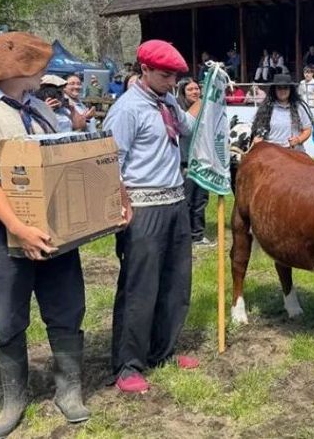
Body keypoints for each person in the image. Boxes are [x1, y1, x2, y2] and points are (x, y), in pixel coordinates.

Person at [0, 32, 96, 436]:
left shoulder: (40, 109)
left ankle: (68, 391)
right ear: (22, 71)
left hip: (55, 234)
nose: (45, 74)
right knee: (8, 318)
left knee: (67, 309)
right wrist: (18, 228)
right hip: (5, 238)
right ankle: (12, 400)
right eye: (39, 67)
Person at [103, 40, 201, 394]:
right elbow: (111, 160)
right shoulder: (127, 109)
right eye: (164, 75)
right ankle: (128, 363)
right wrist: (122, 203)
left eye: (174, 76)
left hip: (175, 200)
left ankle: (163, 351)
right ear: (144, 70)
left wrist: (205, 96)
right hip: (143, 207)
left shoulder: (169, 100)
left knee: (175, 284)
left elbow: (187, 131)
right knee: (139, 288)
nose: (170, 81)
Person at [177, 78, 211, 247]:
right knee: (187, 200)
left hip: (202, 161)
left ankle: (197, 235)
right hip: (186, 163)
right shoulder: (180, 113)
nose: (195, 92)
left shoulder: (205, 111)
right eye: (190, 89)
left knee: (201, 200)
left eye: (197, 89)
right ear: (183, 92)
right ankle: (183, 236)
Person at [251, 73, 313, 151]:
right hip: (271, 152)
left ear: (290, 89)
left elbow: (307, 129)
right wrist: (257, 138)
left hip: (294, 152)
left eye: (286, 88)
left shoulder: (299, 107)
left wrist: (298, 140)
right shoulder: (266, 107)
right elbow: (258, 130)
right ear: (274, 90)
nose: (282, 91)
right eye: (279, 88)